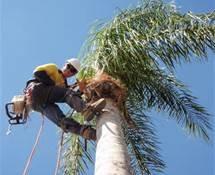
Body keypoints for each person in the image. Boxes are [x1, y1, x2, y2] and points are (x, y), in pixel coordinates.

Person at [24, 58, 106, 140]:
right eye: (68, 66)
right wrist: (52, 84)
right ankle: (85, 110)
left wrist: (81, 90)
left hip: (38, 104)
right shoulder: (54, 68)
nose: (69, 70)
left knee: (61, 121)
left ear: (74, 74)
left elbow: (72, 97)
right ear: (64, 64)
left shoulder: (64, 85)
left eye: (73, 70)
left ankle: (85, 132)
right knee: (67, 93)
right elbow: (37, 73)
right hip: (37, 89)